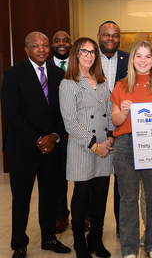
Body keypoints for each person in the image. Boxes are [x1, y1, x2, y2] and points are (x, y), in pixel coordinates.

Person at [1, 32, 71, 258]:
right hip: (23, 149)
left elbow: (65, 110)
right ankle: (19, 244)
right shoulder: (13, 74)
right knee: (21, 199)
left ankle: (49, 238)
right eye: (35, 46)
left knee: (50, 196)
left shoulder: (58, 73)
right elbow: (11, 113)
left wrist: (54, 135)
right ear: (26, 49)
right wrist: (37, 140)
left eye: (44, 46)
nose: (41, 50)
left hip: (52, 147)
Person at [111, 40, 152, 258]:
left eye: (147, 57)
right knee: (128, 199)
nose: (143, 61)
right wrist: (123, 111)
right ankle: (129, 250)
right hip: (125, 146)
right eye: (138, 56)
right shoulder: (121, 85)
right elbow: (115, 121)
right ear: (132, 60)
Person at [59, 37, 115, 258]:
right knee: (81, 197)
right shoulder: (68, 83)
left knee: (101, 196)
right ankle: (79, 241)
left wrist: (110, 138)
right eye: (84, 51)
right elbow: (70, 122)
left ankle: (96, 239)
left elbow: (110, 112)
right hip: (84, 148)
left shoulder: (101, 82)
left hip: (104, 148)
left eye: (93, 52)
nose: (89, 55)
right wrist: (94, 145)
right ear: (76, 54)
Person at [97, 20, 129, 233]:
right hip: (95, 127)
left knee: (122, 182)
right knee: (95, 181)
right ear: (99, 36)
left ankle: (122, 224)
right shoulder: (89, 59)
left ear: (120, 38)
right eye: (106, 35)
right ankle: (93, 224)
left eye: (115, 35)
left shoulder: (129, 60)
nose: (111, 39)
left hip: (122, 124)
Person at [48, 30, 73, 234]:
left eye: (66, 40)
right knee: (58, 177)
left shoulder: (79, 64)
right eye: (57, 41)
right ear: (51, 45)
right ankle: (60, 215)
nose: (62, 44)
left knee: (85, 176)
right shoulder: (44, 68)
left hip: (79, 130)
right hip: (56, 133)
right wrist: (59, 130)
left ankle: (87, 214)